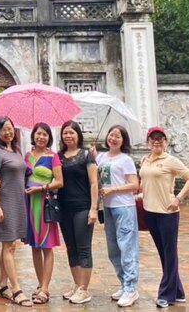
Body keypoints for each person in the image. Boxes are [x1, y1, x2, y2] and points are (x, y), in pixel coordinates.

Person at [139, 126, 189, 309]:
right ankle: (178, 292)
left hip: (167, 213)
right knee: (164, 253)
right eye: (153, 138)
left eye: (160, 138)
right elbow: (145, 184)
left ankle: (166, 294)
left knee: (170, 253)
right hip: (150, 211)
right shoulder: (144, 160)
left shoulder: (171, 160)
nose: (156, 141)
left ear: (165, 142)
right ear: (148, 141)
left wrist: (178, 198)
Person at [0, 116, 33, 307]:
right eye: (4, 129)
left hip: (19, 201)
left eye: (11, 128)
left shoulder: (16, 150)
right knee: (9, 246)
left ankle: (2, 286)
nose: (8, 132)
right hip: (5, 203)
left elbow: (24, 172)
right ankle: (16, 289)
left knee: (10, 245)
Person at [96, 125, 140, 308]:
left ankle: (131, 288)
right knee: (113, 249)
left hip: (124, 207)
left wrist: (113, 188)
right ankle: (123, 283)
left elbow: (135, 185)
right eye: (111, 135)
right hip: (108, 208)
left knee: (127, 248)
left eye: (118, 136)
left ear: (123, 141)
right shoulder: (101, 157)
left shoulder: (126, 160)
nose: (113, 138)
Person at [57, 120, 98, 305]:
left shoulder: (86, 155)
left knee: (83, 248)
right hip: (64, 208)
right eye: (65, 132)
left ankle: (84, 289)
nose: (68, 136)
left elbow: (94, 183)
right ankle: (77, 284)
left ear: (78, 135)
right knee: (71, 248)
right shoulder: (59, 156)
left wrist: (94, 208)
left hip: (83, 207)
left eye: (71, 133)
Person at [24, 122, 63, 305]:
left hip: (44, 203)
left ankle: (46, 288)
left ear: (49, 138)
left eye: (45, 135)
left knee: (46, 246)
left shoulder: (52, 157)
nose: (41, 137)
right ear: (33, 135)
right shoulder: (27, 155)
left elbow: (59, 181)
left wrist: (42, 188)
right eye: (38, 134)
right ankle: (40, 285)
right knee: (34, 246)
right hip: (28, 204)